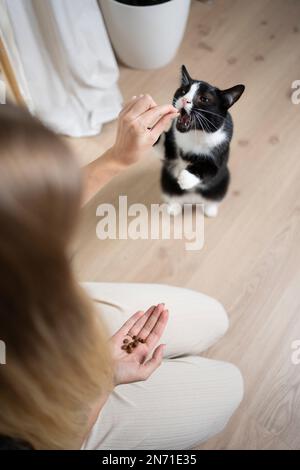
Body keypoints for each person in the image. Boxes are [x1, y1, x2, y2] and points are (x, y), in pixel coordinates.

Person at [0, 96, 243, 450]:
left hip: (30, 320)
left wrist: (117, 157)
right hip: (46, 427)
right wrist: (104, 380)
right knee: (229, 384)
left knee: (213, 318)